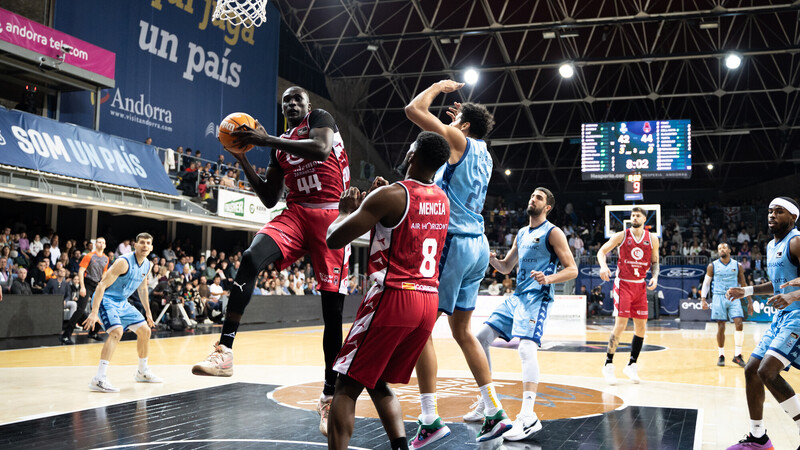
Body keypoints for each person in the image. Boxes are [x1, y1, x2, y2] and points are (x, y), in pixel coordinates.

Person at [192, 86, 352, 436]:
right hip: (295, 213)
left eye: (297, 99)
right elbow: (268, 198)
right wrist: (245, 158)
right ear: (282, 110)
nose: (292, 103)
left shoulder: (319, 121)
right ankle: (225, 352)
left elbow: (322, 149)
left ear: (308, 106)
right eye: (286, 101)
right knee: (250, 257)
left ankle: (329, 395)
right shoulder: (278, 147)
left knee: (332, 314)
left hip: (330, 216)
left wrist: (267, 142)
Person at [325, 131, 450, 450]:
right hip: (427, 303)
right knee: (374, 379)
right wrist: (374, 201)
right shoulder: (442, 199)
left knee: (345, 385)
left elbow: (334, 239)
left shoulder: (392, 196)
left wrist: (346, 211)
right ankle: (400, 446)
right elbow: (402, 224)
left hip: (394, 297)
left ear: (413, 155)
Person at [405, 79, 510, 445]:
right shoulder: (483, 151)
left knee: (420, 330)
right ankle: (494, 410)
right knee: (463, 332)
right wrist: (457, 124)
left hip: (453, 242)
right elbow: (456, 141)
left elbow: (413, 110)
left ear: (462, 126)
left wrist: (437, 87)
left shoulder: (459, 141)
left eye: (458, 119)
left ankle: (430, 418)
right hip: (478, 245)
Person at [469, 188, 577, 441]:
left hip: (537, 298)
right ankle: (488, 402)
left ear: (547, 207)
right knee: (479, 338)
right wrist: (492, 260)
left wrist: (548, 278)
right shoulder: (521, 233)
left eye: (538, 198)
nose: (532, 199)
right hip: (516, 297)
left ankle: (528, 416)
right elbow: (507, 266)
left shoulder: (553, 232)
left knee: (526, 349)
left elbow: (572, 269)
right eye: (531, 196)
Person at [725, 197, 800, 450]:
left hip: (798, 316)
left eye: (779, 211)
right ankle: (758, 437)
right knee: (751, 371)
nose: (772, 215)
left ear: (793, 217)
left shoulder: (797, 241)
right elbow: (777, 283)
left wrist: (791, 295)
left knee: (767, 371)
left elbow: (789, 289)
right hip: (780, 318)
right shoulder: (770, 246)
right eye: (770, 211)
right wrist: (746, 291)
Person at [82, 233, 162, 392]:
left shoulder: (147, 264)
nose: (145, 246)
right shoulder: (123, 262)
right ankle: (99, 379)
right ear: (135, 245)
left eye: (148, 243)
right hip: (106, 300)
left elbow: (143, 288)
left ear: (151, 247)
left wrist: (148, 313)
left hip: (122, 303)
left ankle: (142, 371)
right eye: (142, 243)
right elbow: (101, 286)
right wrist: (94, 312)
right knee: (117, 332)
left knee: (145, 331)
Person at [598, 207, 660, 384]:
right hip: (623, 283)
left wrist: (654, 277)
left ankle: (632, 364)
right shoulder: (622, 235)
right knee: (621, 324)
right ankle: (608, 364)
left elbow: (655, 261)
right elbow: (601, 251)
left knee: (641, 327)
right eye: (632, 215)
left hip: (640, 285)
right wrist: (603, 266)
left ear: (644, 219)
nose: (634, 217)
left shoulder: (652, 239)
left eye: (638, 215)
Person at [701, 242, 752, 367]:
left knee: (739, 323)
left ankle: (738, 355)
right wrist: (703, 299)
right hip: (719, 297)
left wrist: (749, 301)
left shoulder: (737, 265)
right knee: (721, 326)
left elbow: (744, 284)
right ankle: (721, 355)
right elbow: (706, 283)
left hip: (734, 297)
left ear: (729, 250)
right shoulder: (712, 266)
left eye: (724, 248)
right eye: (719, 248)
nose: (721, 250)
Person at [61, 237, 108, 345]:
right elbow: (81, 271)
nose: (101, 244)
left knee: (102, 309)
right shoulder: (89, 256)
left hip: (97, 285)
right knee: (80, 310)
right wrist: (82, 287)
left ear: (105, 245)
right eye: (99, 242)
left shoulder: (106, 258)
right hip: (87, 283)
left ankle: (93, 332)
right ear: (96, 244)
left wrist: (103, 285)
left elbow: (104, 273)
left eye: (103, 243)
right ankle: (65, 336)